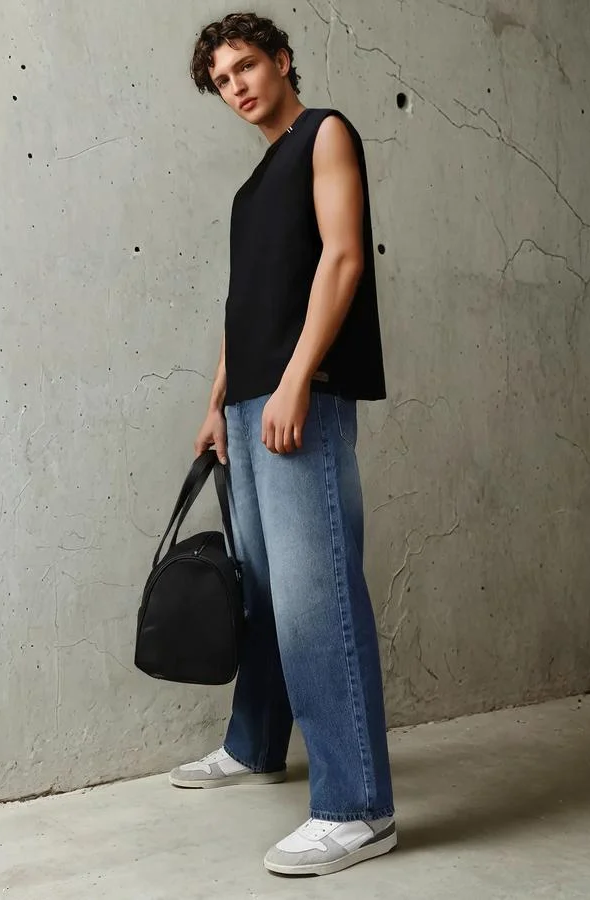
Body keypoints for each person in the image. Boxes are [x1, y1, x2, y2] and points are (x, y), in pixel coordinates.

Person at [169, 12, 396, 877]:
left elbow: (342, 260)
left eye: (246, 67)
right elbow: (246, 305)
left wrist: (299, 378)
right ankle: (255, 743)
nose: (237, 87)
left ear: (282, 59)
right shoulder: (252, 187)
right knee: (265, 590)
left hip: (302, 394)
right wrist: (216, 403)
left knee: (316, 597)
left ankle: (358, 808)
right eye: (222, 80)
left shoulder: (324, 134)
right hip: (249, 404)